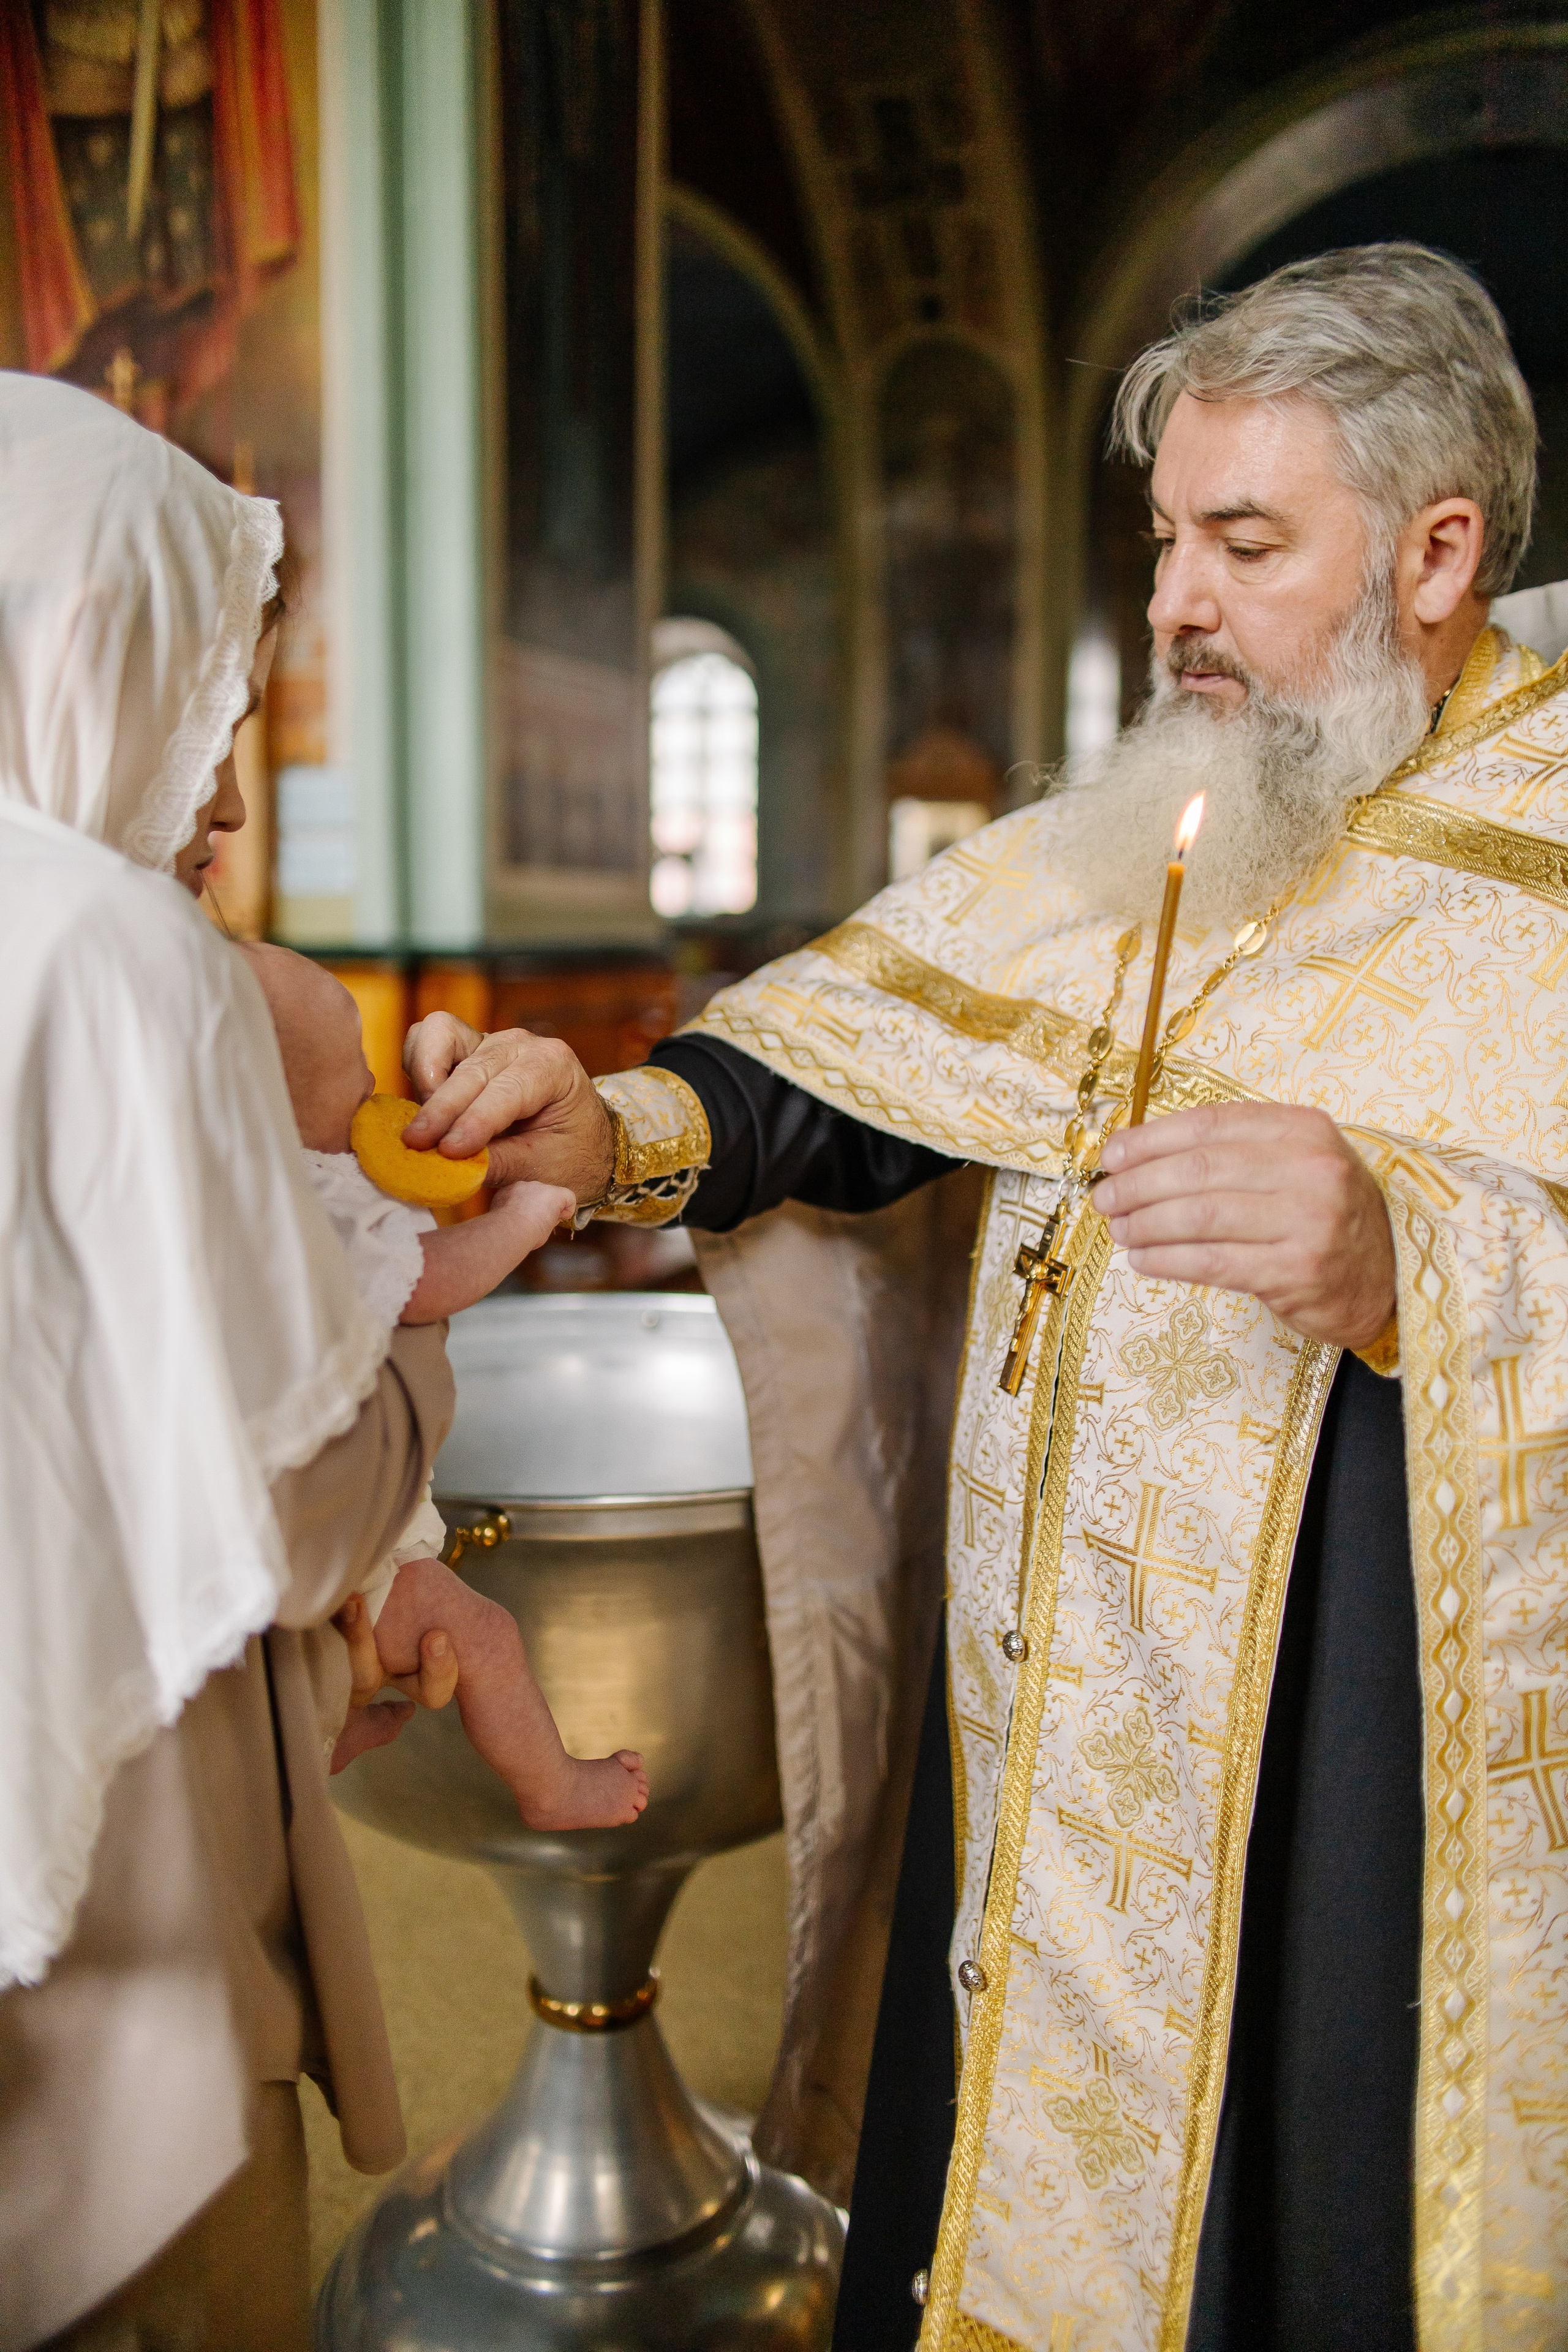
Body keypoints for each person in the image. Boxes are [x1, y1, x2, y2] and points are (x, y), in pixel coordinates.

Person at [396, 245, 1568, 2352]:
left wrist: (1418, 1257)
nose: (1176, 604)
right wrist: (615, 1125)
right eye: (1163, 541)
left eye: (1243, 541)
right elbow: (878, 1048)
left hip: (1354, 1756)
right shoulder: (1175, 808)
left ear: (1437, 553)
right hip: (1054, 1723)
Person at [0, 374, 458, 2352]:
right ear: (82, 647)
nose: (232, 801)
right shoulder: (108, 948)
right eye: (203, 706)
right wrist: (433, 1356)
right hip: (111, 1900)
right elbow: (281, 1501)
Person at [239, 940, 651, 1829]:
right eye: (346, 1070)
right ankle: (552, 1786)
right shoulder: (319, 1200)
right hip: (351, 1556)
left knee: (304, 1681)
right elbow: (424, 1283)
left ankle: (325, 1740)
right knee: (486, 1638)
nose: (367, 1087)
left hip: (276, 1535)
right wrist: (521, 1220)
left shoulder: (234, 1198)